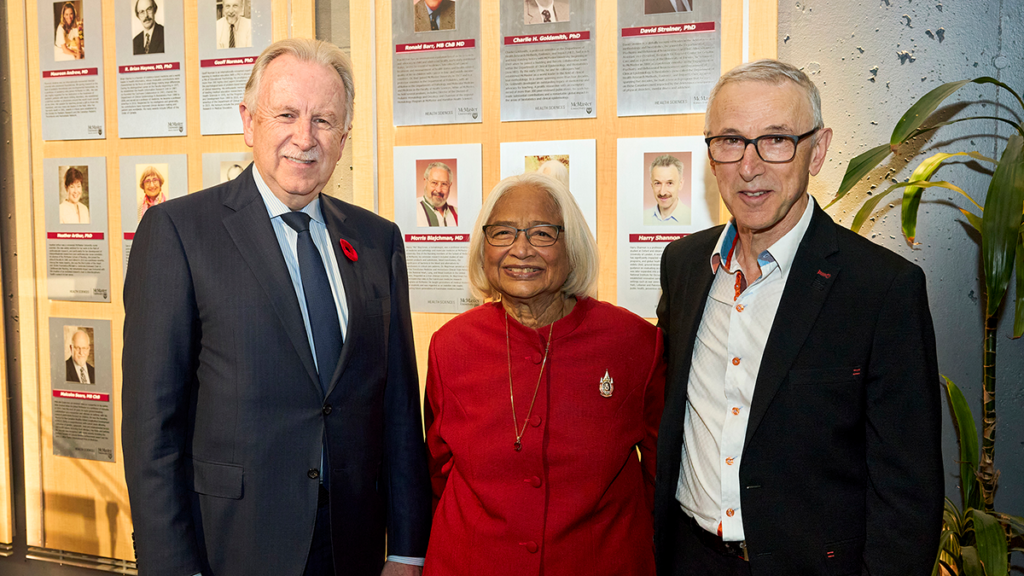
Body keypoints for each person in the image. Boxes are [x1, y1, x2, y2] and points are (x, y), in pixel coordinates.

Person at [122, 38, 431, 576]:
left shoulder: (379, 241)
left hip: (352, 547)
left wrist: (406, 549)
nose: (304, 138)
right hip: (231, 547)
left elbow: (399, 410)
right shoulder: (177, 233)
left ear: (344, 138)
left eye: (324, 121)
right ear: (248, 122)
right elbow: (152, 427)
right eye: (285, 114)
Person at [654, 59, 943, 575]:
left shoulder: (881, 289)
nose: (750, 165)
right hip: (691, 560)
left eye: (776, 140)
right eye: (730, 140)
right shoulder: (683, 266)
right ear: (710, 152)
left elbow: (907, 492)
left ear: (819, 150)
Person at [423, 172, 665, 575]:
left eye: (542, 233)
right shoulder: (450, 346)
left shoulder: (634, 343)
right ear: (484, 248)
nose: (520, 250)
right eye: (502, 233)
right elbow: (436, 472)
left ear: (572, 246)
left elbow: (661, 475)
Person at [644, 154, 691, 225]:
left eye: (669, 183)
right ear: (652, 185)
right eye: (657, 183)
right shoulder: (644, 217)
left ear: (680, 184)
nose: (662, 192)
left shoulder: (690, 217)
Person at [416, 162, 458, 227]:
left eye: (444, 184)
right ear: (425, 182)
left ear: (450, 186)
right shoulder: (414, 209)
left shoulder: (457, 213)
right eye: (434, 183)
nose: (438, 190)